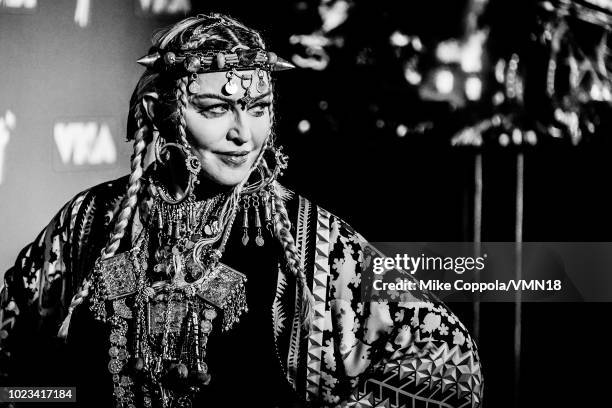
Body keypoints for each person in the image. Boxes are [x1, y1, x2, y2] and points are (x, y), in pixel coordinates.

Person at [0, 13, 483, 408]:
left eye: (258, 108)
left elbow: (452, 370)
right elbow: (15, 368)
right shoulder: (90, 220)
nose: (243, 134)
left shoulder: (306, 236)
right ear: (156, 108)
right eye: (215, 109)